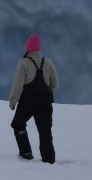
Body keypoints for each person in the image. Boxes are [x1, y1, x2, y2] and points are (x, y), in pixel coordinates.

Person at [9, 34, 59, 163]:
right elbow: (55, 82)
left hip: (28, 102)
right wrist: (48, 92)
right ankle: (49, 160)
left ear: (27, 49)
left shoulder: (23, 63)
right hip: (45, 103)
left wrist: (13, 101)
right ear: (39, 49)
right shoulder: (47, 62)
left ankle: (26, 152)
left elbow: (18, 84)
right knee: (45, 132)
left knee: (18, 124)